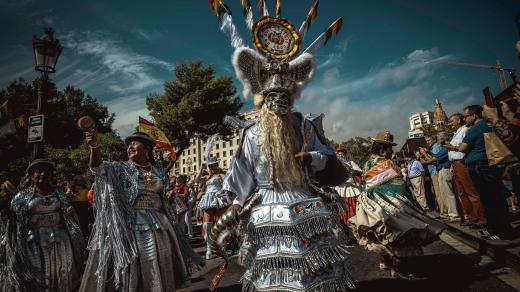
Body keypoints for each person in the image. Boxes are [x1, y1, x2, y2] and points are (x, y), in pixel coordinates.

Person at [216, 47, 355, 290]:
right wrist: (236, 205)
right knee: (271, 262)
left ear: (290, 100)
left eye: (283, 96)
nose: (278, 100)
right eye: (272, 96)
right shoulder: (250, 133)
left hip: (302, 196)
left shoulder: (303, 126)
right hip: (265, 203)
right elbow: (242, 171)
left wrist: (310, 157)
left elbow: (326, 155)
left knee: (311, 259)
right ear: (263, 101)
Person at [80, 131, 203, 291]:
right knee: (135, 265)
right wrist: (94, 146)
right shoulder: (120, 168)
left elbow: (162, 197)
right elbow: (97, 168)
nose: (130, 147)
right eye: (129, 145)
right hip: (131, 226)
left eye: (134, 144)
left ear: (146, 149)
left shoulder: (159, 171)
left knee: (159, 261)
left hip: (159, 225)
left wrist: (168, 198)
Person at [349, 132, 445, 278]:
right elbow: (399, 186)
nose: (392, 151)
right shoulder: (389, 164)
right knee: (399, 232)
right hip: (389, 203)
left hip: (370, 204)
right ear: (382, 150)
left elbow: (364, 183)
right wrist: (409, 201)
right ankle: (399, 267)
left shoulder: (367, 163)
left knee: (381, 234)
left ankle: (385, 260)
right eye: (389, 149)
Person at [1, 159, 85, 291]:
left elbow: (68, 214)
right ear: (31, 176)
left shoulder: (59, 193)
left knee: (62, 273)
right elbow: (15, 223)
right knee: (38, 276)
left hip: (60, 241)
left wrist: (69, 212)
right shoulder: (20, 197)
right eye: (38, 171)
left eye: (47, 171)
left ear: (51, 175)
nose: (42, 174)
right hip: (34, 243)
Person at [456, 105, 512, 240]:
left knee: (489, 198)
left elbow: (462, 148)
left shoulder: (475, 128)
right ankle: (495, 228)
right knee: (493, 197)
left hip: (480, 166)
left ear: (474, 116)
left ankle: (501, 230)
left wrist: (455, 147)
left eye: (465, 116)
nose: (464, 119)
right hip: (485, 164)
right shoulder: (486, 125)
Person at [443, 113, 486, 228]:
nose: (450, 123)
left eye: (452, 121)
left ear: (459, 120)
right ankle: (472, 217)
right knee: (462, 192)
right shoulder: (455, 133)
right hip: (455, 164)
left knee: (470, 191)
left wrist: (451, 147)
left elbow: (464, 148)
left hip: (462, 162)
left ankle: (481, 218)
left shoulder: (465, 130)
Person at [197, 157, 228, 259]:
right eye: (211, 165)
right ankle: (209, 247)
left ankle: (221, 245)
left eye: (214, 165)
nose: (213, 167)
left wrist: (222, 191)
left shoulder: (221, 174)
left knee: (221, 222)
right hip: (208, 198)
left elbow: (227, 183)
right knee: (207, 224)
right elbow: (196, 180)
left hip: (219, 197)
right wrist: (201, 168)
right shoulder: (206, 176)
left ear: (217, 165)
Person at [435, 132, 461, 222]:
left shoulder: (446, 147)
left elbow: (435, 158)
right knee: (448, 194)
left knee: (448, 194)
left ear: (443, 138)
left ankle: (454, 215)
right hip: (443, 170)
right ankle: (455, 214)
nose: (437, 140)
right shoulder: (444, 147)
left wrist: (426, 153)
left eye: (438, 138)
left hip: (445, 170)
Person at [420, 135, 446, 218]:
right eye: (426, 141)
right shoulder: (432, 148)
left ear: (434, 139)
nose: (427, 142)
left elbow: (434, 161)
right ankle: (443, 211)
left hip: (435, 172)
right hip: (433, 173)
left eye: (429, 140)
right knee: (437, 193)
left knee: (439, 193)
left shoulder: (436, 146)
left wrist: (424, 154)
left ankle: (444, 212)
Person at [334, 146, 362, 224]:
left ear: (345, 155)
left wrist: (353, 171)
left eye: (342, 154)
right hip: (340, 190)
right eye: (339, 154)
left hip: (352, 189)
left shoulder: (350, 163)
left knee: (355, 209)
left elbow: (360, 172)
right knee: (341, 213)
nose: (341, 155)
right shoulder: (334, 165)